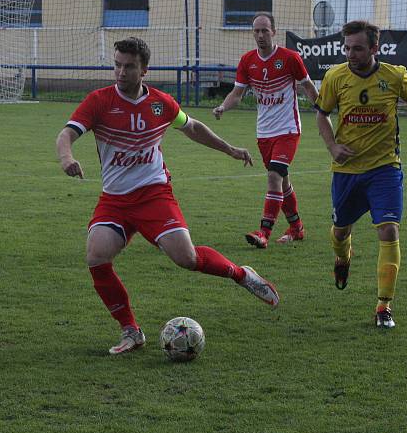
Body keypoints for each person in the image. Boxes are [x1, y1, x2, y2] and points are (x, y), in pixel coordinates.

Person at [56, 37, 280, 355]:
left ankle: (242, 274)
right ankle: (131, 332)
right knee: (96, 256)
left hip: (154, 195)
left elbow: (192, 127)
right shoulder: (99, 101)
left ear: (144, 69)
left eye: (129, 66)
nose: (120, 72)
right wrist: (66, 158)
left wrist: (229, 148)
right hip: (115, 200)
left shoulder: (160, 103)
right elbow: (66, 134)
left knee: (186, 259)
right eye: (117, 65)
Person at [315, 20, 407, 329]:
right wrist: (332, 146)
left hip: (384, 168)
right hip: (347, 171)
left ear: (374, 49)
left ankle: (383, 307)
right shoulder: (335, 77)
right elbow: (321, 114)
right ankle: (343, 257)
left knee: (388, 230)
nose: (350, 53)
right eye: (347, 48)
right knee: (340, 231)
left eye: (358, 48)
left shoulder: (394, 75)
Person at [213, 12, 318, 248]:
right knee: (282, 182)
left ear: (274, 31)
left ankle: (263, 233)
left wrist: (323, 111)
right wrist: (222, 106)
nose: (260, 35)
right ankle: (297, 228)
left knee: (273, 177)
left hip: (288, 129)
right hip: (264, 133)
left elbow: (308, 87)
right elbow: (237, 94)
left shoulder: (290, 58)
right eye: (256, 31)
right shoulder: (247, 60)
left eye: (264, 30)